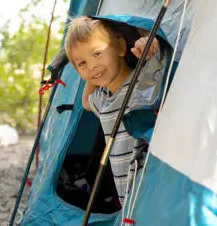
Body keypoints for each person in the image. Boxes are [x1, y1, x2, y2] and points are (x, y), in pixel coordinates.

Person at [65, 16, 163, 205]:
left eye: (97, 53)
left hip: (149, 189)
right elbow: (85, 101)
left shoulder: (143, 82)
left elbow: (161, 64)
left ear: (120, 47)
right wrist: (92, 74)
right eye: (82, 63)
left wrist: (148, 41)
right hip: (125, 194)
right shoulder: (103, 99)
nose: (92, 65)